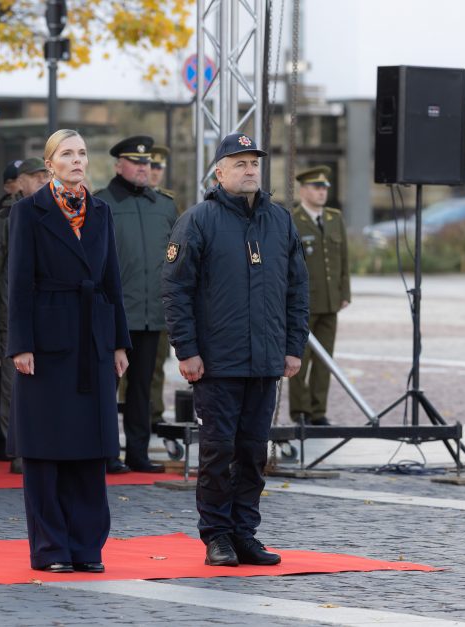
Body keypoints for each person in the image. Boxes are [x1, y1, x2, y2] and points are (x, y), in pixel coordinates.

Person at [162, 133, 308, 567]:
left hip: (265, 361)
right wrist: (186, 349)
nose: (249, 170)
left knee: (253, 452)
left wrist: (292, 347)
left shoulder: (279, 220)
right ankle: (218, 536)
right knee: (217, 452)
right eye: (239, 163)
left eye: (254, 163)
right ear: (219, 172)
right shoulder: (199, 220)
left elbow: (298, 290)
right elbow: (176, 289)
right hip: (217, 363)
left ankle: (246, 533)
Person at [7, 129, 131, 573]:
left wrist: (119, 340)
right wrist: (20, 344)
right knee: (46, 447)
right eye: (67, 154)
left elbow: (112, 280)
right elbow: (17, 282)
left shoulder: (100, 211)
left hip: (93, 341)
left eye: (82, 153)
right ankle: (51, 548)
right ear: (50, 163)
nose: (77, 160)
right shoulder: (28, 211)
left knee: (90, 446)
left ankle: (86, 547)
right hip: (46, 341)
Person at [96, 136, 177, 474]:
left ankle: (138, 453)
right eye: (136, 162)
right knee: (105, 388)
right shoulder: (101, 203)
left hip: (151, 314)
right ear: (119, 165)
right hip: (114, 314)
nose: (144, 168)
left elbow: (176, 259)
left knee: (143, 389)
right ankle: (104, 452)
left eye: (148, 163)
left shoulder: (165, 206)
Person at [0, 157, 50, 473]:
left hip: (48, 314)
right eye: (35, 177)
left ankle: (45, 444)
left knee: (46, 384)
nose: (42, 182)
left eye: (44, 176)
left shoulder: (58, 211)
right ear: (18, 182)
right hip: (13, 316)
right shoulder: (4, 219)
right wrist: (3, 309)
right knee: (14, 386)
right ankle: (20, 449)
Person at [288, 166, 350, 426]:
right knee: (298, 359)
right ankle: (300, 411)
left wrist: (344, 292)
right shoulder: (292, 219)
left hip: (330, 302)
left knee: (325, 360)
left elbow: (343, 260)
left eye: (324, 187)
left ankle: (317, 411)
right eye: (316, 187)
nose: (322, 192)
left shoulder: (335, 218)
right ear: (303, 190)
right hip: (304, 304)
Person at [147, 145, 176, 426]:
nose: (155, 173)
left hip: (159, 297)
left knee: (156, 363)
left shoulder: (167, 204)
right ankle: (130, 412)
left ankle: (153, 412)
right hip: (133, 297)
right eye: (151, 166)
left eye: (159, 168)